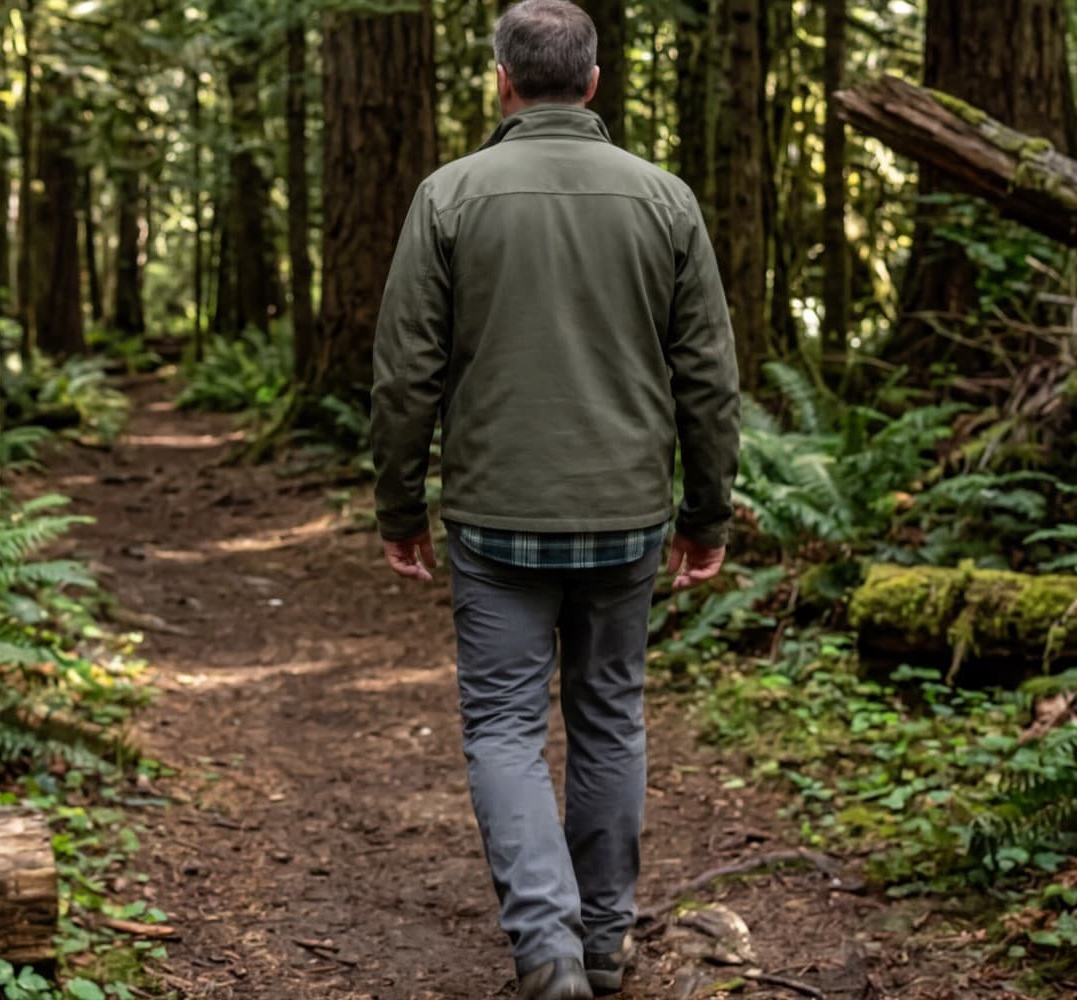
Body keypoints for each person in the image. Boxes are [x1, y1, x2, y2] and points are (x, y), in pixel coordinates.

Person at [367, 2, 741, 996]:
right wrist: (707, 515)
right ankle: (604, 940)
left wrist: (399, 507)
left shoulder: (448, 196)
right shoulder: (666, 200)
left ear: (502, 81)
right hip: (626, 515)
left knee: (503, 727)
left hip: (496, 517)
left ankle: (548, 948)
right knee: (610, 716)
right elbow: (709, 377)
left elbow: (405, 376)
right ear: (593, 82)